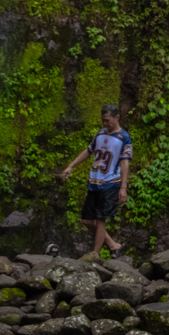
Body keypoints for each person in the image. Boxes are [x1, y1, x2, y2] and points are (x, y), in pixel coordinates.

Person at [60, 103, 133, 257]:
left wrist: (123, 187)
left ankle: (95, 255)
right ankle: (113, 245)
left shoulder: (124, 138)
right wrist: (71, 166)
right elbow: (89, 151)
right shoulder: (100, 133)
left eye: (107, 120)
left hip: (110, 183)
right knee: (87, 220)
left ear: (117, 117)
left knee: (101, 220)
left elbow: (125, 162)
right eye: (103, 121)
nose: (105, 124)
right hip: (94, 181)